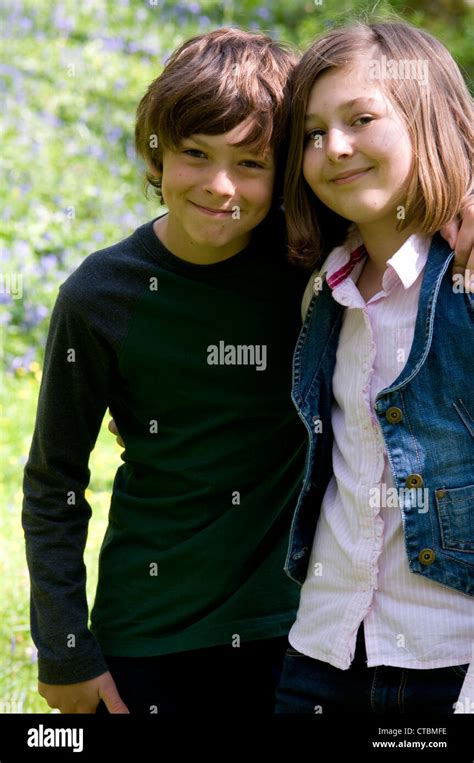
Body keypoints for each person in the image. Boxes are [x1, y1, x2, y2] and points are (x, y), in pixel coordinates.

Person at [22, 25, 472, 717]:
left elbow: (402, 187)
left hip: (293, 632)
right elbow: (54, 481)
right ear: (156, 154)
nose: (219, 185)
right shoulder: (100, 296)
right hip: (152, 628)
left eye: (251, 162)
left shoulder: (311, 256)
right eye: (194, 154)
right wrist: (64, 647)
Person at [274, 20, 474, 715]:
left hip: (445, 666)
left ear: (432, 120)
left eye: (361, 119)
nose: (335, 147)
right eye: (312, 133)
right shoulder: (322, 293)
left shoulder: (466, 286)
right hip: (319, 653)